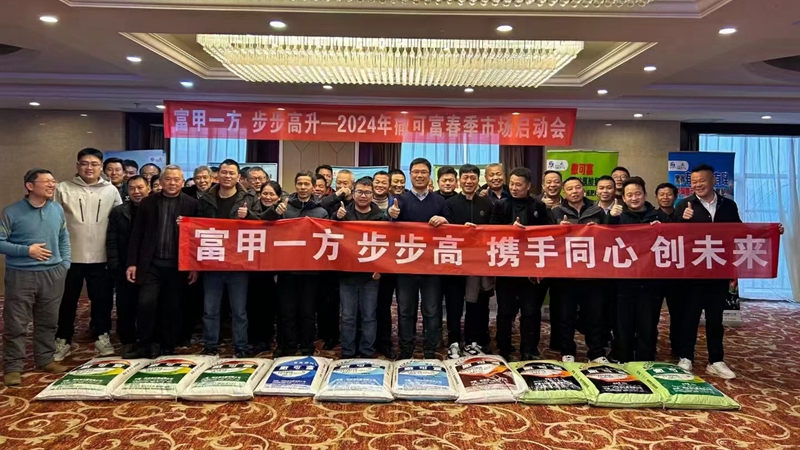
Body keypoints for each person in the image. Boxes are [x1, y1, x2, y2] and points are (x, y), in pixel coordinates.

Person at [0, 168, 70, 386]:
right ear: (30, 186)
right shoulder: (11, 212)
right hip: (21, 275)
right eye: (46, 181)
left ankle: (45, 359)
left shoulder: (56, 208)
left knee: (48, 321)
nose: (52, 185)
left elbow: (63, 237)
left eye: (53, 181)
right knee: (16, 323)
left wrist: (65, 263)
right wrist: (27, 251)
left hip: (53, 274)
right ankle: (13, 367)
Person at [53, 148, 122, 361]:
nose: (89, 168)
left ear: (101, 167)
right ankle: (63, 338)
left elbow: (119, 221)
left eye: (94, 164)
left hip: (101, 256)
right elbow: (53, 221)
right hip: (69, 256)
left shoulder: (111, 190)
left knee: (102, 299)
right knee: (67, 300)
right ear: (77, 166)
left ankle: (102, 335)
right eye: (84, 163)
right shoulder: (62, 188)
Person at [123, 165, 199, 358]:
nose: (172, 183)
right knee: (145, 303)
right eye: (168, 179)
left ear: (182, 182)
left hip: (177, 265)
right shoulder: (148, 202)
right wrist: (132, 263)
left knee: (172, 306)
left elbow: (196, 238)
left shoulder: (192, 204)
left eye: (176, 179)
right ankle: (144, 343)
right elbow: (137, 233)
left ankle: (167, 345)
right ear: (160, 182)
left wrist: (194, 266)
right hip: (151, 264)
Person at [673, 164, 741, 379]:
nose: (697, 185)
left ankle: (716, 360)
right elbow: (671, 236)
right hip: (692, 272)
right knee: (689, 316)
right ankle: (686, 357)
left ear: (713, 181)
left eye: (701, 181)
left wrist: (771, 231)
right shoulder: (684, 204)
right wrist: (681, 220)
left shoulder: (728, 205)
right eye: (693, 182)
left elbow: (740, 231)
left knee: (715, 318)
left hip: (718, 270)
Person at [262, 170, 329, 357]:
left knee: (308, 312)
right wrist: (274, 213)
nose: (303, 187)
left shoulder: (321, 211)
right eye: (300, 183)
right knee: (287, 312)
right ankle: (289, 346)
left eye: (307, 184)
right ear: (295, 185)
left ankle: (307, 346)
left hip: (311, 272)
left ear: (313, 187)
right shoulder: (284, 207)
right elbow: (262, 225)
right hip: (287, 270)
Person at [388, 157, 450, 359]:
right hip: (406, 265)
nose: (420, 175)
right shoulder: (401, 200)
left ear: (429, 175)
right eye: (416, 172)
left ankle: (430, 350)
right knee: (406, 310)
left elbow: (452, 229)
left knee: (431, 310)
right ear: (410, 175)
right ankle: (406, 349)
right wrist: (392, 214)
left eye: (424, 172)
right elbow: (390, 226)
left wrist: (444, 220)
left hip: (432, 266)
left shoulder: (439, 201)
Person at [195, 159, 257, 358]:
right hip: (212, 261)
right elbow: (196, 226)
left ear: (238, 177)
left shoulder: (248, 198)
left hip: (238, 263)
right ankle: (210, 345)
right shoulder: (206, 199)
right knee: (210, 309)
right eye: (224, 172)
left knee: (239, 310)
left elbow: (262, 224)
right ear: (217, 175)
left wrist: (248, 216)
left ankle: (241, 346)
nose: (227, 176)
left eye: (231, 173)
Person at [489, 167, 550, 361]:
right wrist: (510, 229)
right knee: (505, 310)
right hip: (507, 264)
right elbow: (491, 230)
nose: (514, 188)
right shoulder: (500, 205)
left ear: (528, 185)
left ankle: (529, 349)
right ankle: (504, 347)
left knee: (530, 310)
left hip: (530, 267)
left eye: (519, 185)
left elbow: (548, 233)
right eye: (512, 184)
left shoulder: (539, 206)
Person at [607, 177, 669, 363]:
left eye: (637, 194)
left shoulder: (659, 217)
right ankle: (623, 358)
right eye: (629, 195)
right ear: (624, 198)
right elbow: (603, 241)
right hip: (623, 281)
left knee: (648, 324)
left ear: (645, 195)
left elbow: (674, 243)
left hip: (651, 282)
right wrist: (610, 219)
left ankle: (645, 359)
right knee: (622, 323)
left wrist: (663, 230)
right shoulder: (617, 217)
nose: (634, 198)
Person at [552, 177, 608, 363]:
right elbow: (547, 239)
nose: (574, 191)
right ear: (564, 192)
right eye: (569, 189)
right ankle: (567, 351)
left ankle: (596, 352)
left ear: (584, 190)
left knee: (595, 316)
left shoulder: (597, 211)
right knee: (565, 315)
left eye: (577, 187)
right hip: (566, 274)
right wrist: (558, 230)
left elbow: (610, 238)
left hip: (592, 274)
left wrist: (599, 230)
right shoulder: (556, 211)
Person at [445, 164, 494, 356]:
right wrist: (462, 231)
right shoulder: (450, 203)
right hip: (455, 261)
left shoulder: (487, 204)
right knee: (454, 303)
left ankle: (473, 340)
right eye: (465, 178)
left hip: (478, 263)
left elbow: (494, 230)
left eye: (473, 178)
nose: (469, 181)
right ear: (459, 181)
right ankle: (454, 340)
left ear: (478, 180)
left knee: (477, 304)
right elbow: (446, 230)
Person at [335, 177, 386, 358]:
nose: (363, 196)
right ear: (353, 193)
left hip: (371, 276)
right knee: (348, 316)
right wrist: (336, 219)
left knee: (369, 316)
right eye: (360, 192)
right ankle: (347, 352)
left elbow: (387, 246)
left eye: (367, 192)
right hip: (347, 274)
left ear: (373, 195)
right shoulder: (342, 213)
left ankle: (367, 351)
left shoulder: (381, 217)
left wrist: (381, 268)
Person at [106, 175, 150, 356]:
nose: (136, 192)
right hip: (124, 266)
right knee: (125, 306)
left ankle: (148, 340)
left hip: (150, 267)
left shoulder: (156, 209)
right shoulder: (119, 212)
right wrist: (115, 264)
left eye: (140, 188)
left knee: (147, 305)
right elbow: (112, 240)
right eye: (132, 188)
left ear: (148, 188)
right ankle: (127, 340)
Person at [317, 169, 355, 350]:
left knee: (351, 305)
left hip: (352, 259)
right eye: (339, 182)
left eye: (346, 183)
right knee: (329, 301)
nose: (342, 186)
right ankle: (330, 336)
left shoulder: (357, 201)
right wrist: (338, 195)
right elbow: (320, 206)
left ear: (352, 185)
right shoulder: (330, 200)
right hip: (331, 257)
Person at [533, 169, 565, 351]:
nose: (552, 185)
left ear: (561, 184)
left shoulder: (569, 204)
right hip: (539, 261)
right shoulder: (533, 203)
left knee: (559, 304)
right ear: (543, 185)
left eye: (556, 182)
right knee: (533, 304)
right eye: (549, 182)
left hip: (561, 262)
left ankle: (557, 342)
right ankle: (533, 344)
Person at [248, 181, 282, 353]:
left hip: (273, 267)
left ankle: (267, 339)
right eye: (265, 194)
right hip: (253, 265)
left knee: (269, 305)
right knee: (252, 304)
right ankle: (253, 338)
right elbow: (257, 222)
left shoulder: (283, 213)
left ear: (279, 197)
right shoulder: (250, 210)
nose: (268, 197)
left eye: (272, 194)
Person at [373, 170, 397, 358]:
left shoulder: (397, 203)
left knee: (383, 306)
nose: (380, 185)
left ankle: (384, 342)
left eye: (384, 183)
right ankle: (366, 341)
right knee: (365, 308)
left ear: (389, 186)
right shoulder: (362, 201)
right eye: (377, 182)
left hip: (389, 262)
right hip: (365, 263)